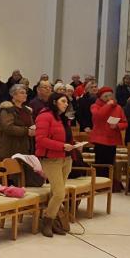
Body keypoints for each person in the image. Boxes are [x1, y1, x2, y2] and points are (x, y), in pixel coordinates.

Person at [35, 93, 76, 237]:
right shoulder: (44, 116)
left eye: (67, 102)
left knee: (56, 192)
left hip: (66, 158)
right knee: (60, 193)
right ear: (54, 102)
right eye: (63, 101)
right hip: (51, 159)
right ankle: (47, 221)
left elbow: (66, 136)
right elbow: (41, 139)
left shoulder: (64, 118)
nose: (66, 104)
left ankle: (53, 223)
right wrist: (62, 146)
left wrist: (73, 145)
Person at [90, 87, 127, 189]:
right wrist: (108, 106)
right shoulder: (95, 106)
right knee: (100, 162)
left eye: (110, 95)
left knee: (110, 163)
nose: (108, 98)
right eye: (105, 96)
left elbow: (124, 123)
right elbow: (98, 117)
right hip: (100, 139)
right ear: (100, 97)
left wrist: (117, 126)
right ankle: (98, 184)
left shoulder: (118, 107)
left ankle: (108, 183)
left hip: (112, 139)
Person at [0, 85, 35, 161]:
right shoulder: (7, 109)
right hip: (9, 146)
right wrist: (26, 131)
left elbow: (30, 125)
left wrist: (33, 129)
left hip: (24, 146)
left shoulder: (27, 110)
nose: (25, 95)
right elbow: (8, 127)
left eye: (25, 93)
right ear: (13, 95)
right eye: (22, 93)